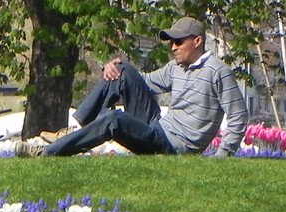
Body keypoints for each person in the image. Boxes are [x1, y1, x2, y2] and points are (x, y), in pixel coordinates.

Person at [17, 16, 249, 158]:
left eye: (179, 42)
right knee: (123, 70)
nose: (173, 48)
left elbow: (238, 116)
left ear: (197, 41)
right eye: (171, 42)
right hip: (158, 128)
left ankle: (46, 153)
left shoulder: (218, 72)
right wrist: (111, 68)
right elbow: (140, 81)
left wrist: (222, 154)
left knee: (113, 120)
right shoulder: (176, 68)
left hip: (173, 146)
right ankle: (78, 128)